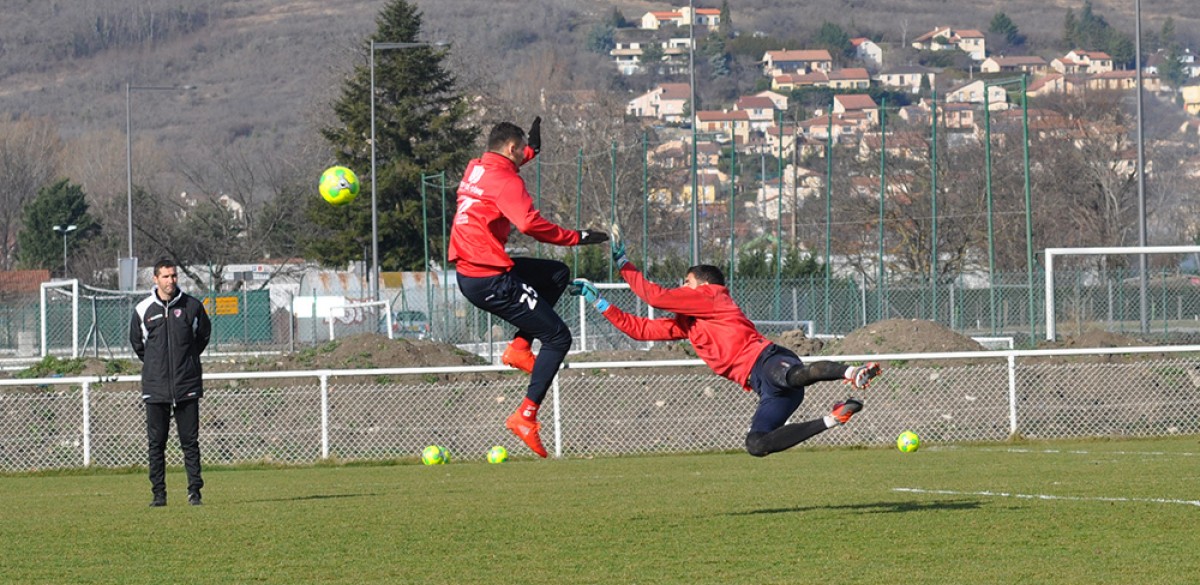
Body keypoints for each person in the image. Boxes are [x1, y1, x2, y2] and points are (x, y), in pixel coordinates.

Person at [569, 239, 881, 457]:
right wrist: (599, 301)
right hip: (763, 385)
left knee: (796, 375)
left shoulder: (711, 296)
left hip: (768, 360)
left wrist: (624, 263)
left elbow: (655, 297)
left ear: (702, 285)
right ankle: (833, 419)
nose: (682, 288)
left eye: (686, 282)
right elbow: (640, 330)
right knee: (757, 444)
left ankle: (853, 372)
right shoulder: (690, 321)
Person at [447, 119, 608, 457]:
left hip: (474, 270)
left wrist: (531, 150)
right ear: (510, 149)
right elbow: (529, 224)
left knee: (555, 275)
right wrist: (576, 237)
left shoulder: (476, 168)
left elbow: (501, 167)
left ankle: (519, 348)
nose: (523, 156)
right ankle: (525, 416)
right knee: (559, 338)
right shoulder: (507, 181)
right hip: (490, 278)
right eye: (520, 151)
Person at [129, 259, 212, 506]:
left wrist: (185, 363)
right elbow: (138, 345)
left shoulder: (192, 307)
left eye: (173, 276)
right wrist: (158, 367)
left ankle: (194, 492)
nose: (170, 281)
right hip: (156, 388)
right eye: (165, 276)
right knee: (156, 445)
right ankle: (159, 495)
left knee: (190, 443)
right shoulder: (143, 310)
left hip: (187, 385)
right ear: (155, 279)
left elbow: (203, 337)